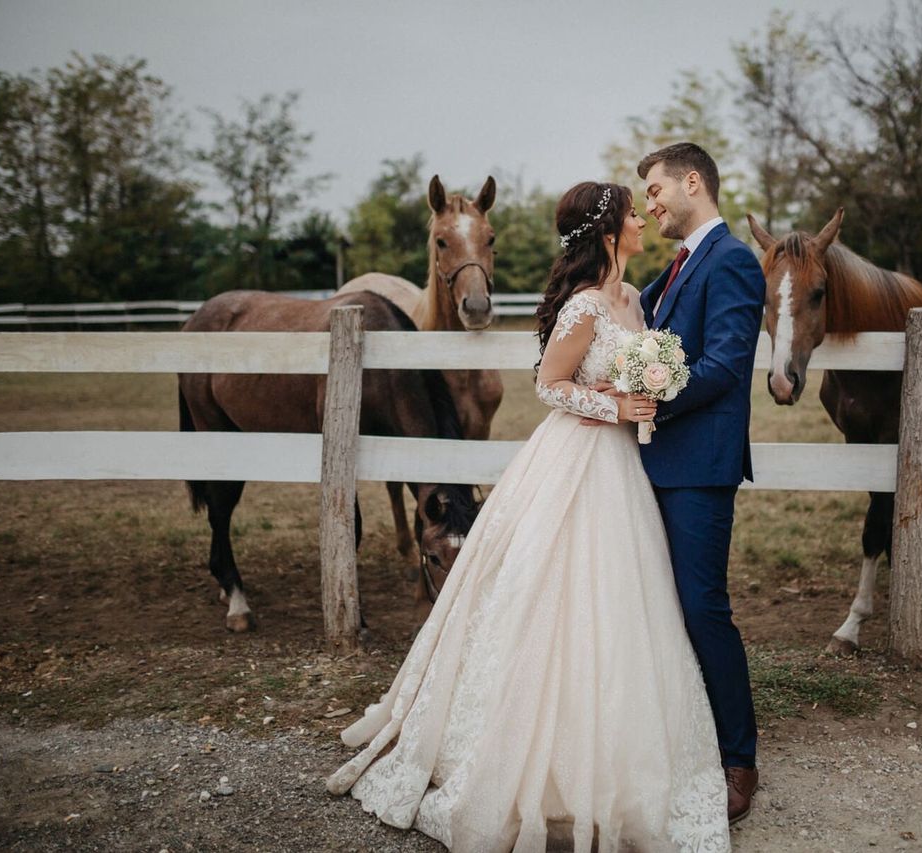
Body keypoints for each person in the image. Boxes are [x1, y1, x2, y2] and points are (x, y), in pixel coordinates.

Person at [325, 181, 732, 853]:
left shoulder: (632, 299)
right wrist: (614, 406)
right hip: (575, 459)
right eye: (633, 214)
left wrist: (645, 384)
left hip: (624, 471)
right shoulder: (582, 307)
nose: (641, 222)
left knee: (624, 601)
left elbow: (623, 368)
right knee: (550, 596)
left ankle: (618, 743)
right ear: (608, 233)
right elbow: (549, 383)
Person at [634, 142, 766, 824]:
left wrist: (651, 393)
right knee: (658, 608)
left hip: (699, 467)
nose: (650, 203)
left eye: (656, 189)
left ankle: (738, 757)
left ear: (693, 182)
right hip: (653, 461)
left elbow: (725, 365)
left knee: (702, 607)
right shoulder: (677, 267)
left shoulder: (735, 261)